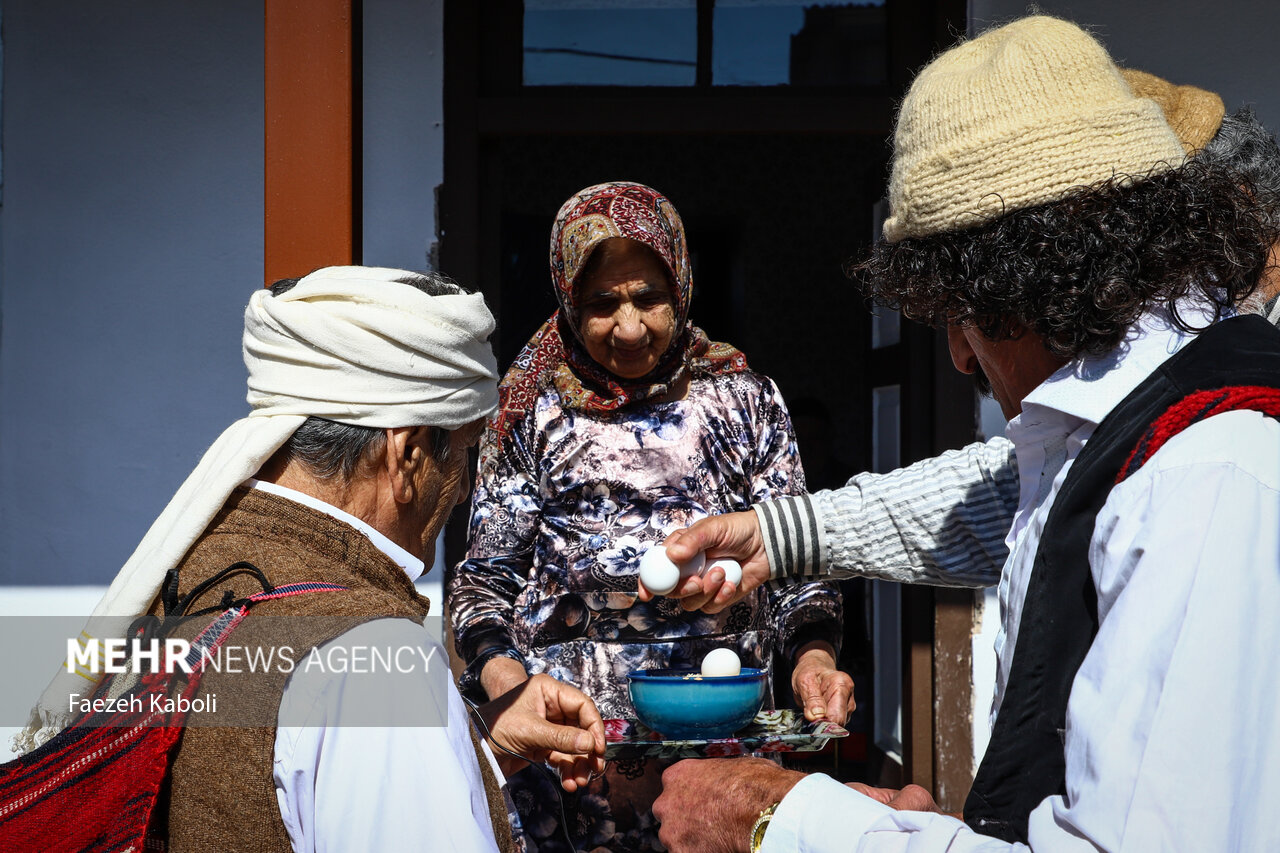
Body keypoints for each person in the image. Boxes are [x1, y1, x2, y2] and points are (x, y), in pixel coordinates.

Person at [649, 16, 1280, 851]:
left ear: (1025, 281)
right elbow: (1001, 495)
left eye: (959, 313)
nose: (957, 355)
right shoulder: (1126, 442)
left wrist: (781, 817)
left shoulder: (1205, 480)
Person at [16, 266, 605, 852]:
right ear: (406, 456)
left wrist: (474, 745)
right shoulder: (376, 662)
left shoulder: (194, 575)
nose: (463, 489)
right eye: (466, 454)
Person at [446, 181, 849, 851]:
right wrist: (507, 684)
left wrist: (814, 655)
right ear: (568, 299)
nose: (629, 328)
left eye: (649, 299)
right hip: (570, 767)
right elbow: (484, 583)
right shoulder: (530, 412)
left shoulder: (742, 399)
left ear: (683, 287)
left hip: (722, 761)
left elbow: (798, 563)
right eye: (602, 303)